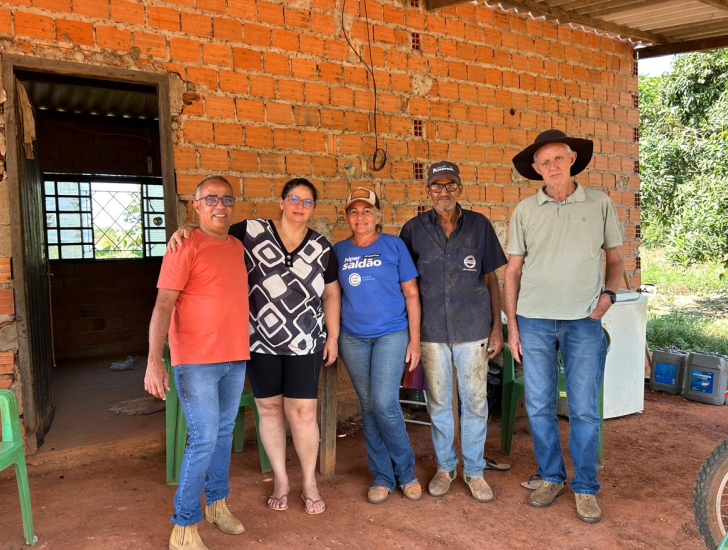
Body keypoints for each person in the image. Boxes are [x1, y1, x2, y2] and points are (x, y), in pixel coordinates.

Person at [169, 178, 340, 515]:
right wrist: (186, 227)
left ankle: (309, 482)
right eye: (294, 199)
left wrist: (332, 336)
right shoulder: (250, 231)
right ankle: (281, 480)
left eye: (307, 202)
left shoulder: (322, 246)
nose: (299, 206)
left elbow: (331, 293)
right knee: (270, 409)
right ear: (281, 201)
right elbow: (212, 230)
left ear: (313, 209)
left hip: (305, 341)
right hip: (259, 340)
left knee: (304, 412)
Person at [504, 129, 624, 523]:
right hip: (534, 320)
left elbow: (615, 259)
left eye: (559, 158)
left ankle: (585, 486)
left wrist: (608, 296)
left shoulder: (599, 203)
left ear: (572, 159)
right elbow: (513, 271)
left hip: (583, 320)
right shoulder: (525, 210)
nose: (552, 166)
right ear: (536, 169)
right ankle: (551, 476)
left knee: (584, 408)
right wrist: (512, 327)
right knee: (538, 405)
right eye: (545, 162)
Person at [145, 175, 249, 550]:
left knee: (223, 433)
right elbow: (163, 304)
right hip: (196, 360)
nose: (220, 206)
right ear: (197, 205)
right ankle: (184, 525)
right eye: (211, 199)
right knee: (203, 438)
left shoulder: (237, 246)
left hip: (234, 356)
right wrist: (154, 361)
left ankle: (217, 503)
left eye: (226, 199)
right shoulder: (184, 246)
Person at [399, 161, 507, 503]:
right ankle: (446, 467)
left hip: (473, 328)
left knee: (475, 402)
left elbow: (491, 278)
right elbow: (405, 284)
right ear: (427, 190)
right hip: (431, 331)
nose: (443, 192)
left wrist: (497, 328)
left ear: (459, 188)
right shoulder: (413, 230)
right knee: (439, 402)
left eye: (450, 185)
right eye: (436, 186)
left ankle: (474, 470)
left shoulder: (479, 225)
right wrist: (409, 334)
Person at [334, 187, 422, 504]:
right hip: (352, 337)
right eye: (354, 211)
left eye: (367, 211)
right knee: (369, 405)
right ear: (347, 217)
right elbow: (332, 296)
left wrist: (415, 340)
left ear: (378, 216)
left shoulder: (394, 245)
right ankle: (382, 475)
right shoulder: (338, 251)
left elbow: (411, 294)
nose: (361, 217)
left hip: (391, 333)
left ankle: (406, 471)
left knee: (384, 403)